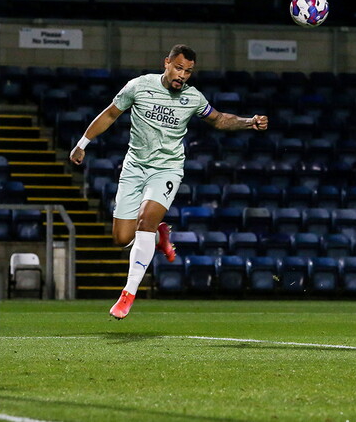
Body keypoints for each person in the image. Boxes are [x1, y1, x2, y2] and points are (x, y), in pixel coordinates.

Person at [70, 44, 268, 319]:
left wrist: (249, 122)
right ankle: (160, 235)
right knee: (121, 238)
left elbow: (219, 120)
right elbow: (111, 114)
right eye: (178, 68)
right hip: (134, 167)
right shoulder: (139, 87)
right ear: (166, 63)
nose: (182, 75)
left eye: (188, 71)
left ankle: (128, 293)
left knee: (145, 222)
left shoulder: (193, 98)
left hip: (167, 169)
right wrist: (83, 143)